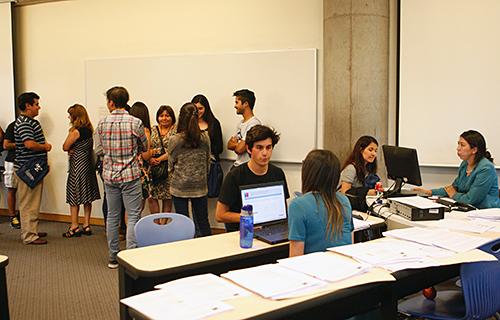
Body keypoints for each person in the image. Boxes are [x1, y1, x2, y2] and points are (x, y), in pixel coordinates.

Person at [96, 87, 150, 268]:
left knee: (112, 216)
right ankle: (131, 256)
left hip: (110, 176)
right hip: (131, 175)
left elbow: (98, 150)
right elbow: (144, 147)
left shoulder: (102, 123)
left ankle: (113, 257)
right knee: (133, 215)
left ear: (111, 102)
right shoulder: (136, 122)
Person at [216, 125, 289, 231]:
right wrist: (248, 218)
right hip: (243, 233)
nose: (265, 153)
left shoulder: (278, 173)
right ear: (249, 149)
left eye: (268, 147)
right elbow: (220, 215)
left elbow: (282, 210)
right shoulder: (235, 176)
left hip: (272, 231)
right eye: (259, 148)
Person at [288, 150, 353, 256]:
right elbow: (350, 244)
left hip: (315, 269)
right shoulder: (344, 200)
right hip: (345, 267)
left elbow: (295, 258)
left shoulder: (298, 205)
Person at [415, 130, 500, 208]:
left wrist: (454, 195)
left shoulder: (486, 168)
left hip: (486, 212)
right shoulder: (464, 164)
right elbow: (453, 187)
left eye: (462, 145)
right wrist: (429, 192)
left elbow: (471, 199)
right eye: (458, 144)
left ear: (474, 150)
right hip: (468, 209)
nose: (458, 148)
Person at [168, 103, 212, 237]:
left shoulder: (175, 139)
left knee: (183, 223)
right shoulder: (205, 137)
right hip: (200, 185)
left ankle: (185, 254)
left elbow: (171, 164)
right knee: (203, 221)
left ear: (180, 118)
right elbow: (207, 162)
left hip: (179, 186)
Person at [14, 92, 52, 245]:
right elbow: (29, 144)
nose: (39, 107)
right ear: (28, 106)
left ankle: (31, 230)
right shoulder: (24, 123)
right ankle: (29, 235)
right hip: (27, 169)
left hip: (33, 168)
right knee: (28, 203)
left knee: (33, 202)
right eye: (36, 104)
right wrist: (46, 147)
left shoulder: (29, 121)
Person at [62, 104, 101, 237]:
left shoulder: (76, 132)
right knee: (87, 196)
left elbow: (65, 146)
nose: (68, 117)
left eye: (70, 115)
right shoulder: (90, 130)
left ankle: (74, 226)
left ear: (75, 116)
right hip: (88, 166)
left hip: (77, 167)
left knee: (74, 196)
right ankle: (86, 224)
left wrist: (71, 149)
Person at [339, 136, 380, 211]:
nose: (374, 154)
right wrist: (366, 192)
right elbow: (344, 193)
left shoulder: (368, 169)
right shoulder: (351, 168)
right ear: (361, 150)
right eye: (370, 150)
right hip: (347, 209)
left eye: (375, 151)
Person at [148, 105, 176, 213]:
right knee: (151, 197)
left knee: (167, 198)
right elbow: (147, 147)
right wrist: (150, 158)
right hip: (153, 169)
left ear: (172, 117)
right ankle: (156, 223)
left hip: (169, 170)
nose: (164, 118)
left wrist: (160, 158)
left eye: (167, 116)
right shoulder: (152, 129)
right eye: (161, 116)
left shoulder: (176, 130)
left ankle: (163, 225)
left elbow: (175, 150)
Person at [227, 89, 261, 167]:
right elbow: (229, 145)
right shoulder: (240, 123)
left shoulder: (254, 124)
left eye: (237, 102)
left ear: (245, 104)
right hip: (237, 165)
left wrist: (237, 145)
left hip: (246, 167)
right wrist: (238, 144)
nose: (235, 106)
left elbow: (240, 149)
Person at [129, 101, 153, 203]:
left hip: (129, 168)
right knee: (139, 204)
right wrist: (153, 151)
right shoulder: (145, 130)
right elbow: (146, 155)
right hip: (141, 170)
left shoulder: (128, 128)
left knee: (130, 204)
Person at [191, 94, 223, 161]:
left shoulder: (214, 123)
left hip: (211, 162)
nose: (197, 111)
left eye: (200, 108)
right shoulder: (188, 123)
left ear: (206, 108)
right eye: (195, 109)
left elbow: (219, 147)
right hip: (192, 162)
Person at [3, 121, 21, 229]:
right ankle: (12, 216)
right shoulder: (13, 125)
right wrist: (22, 144)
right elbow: (5, 145)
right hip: (12, 161)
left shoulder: (33, 124)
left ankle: (24, 216)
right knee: (12, 189)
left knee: (26, 192)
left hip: (26, 162)